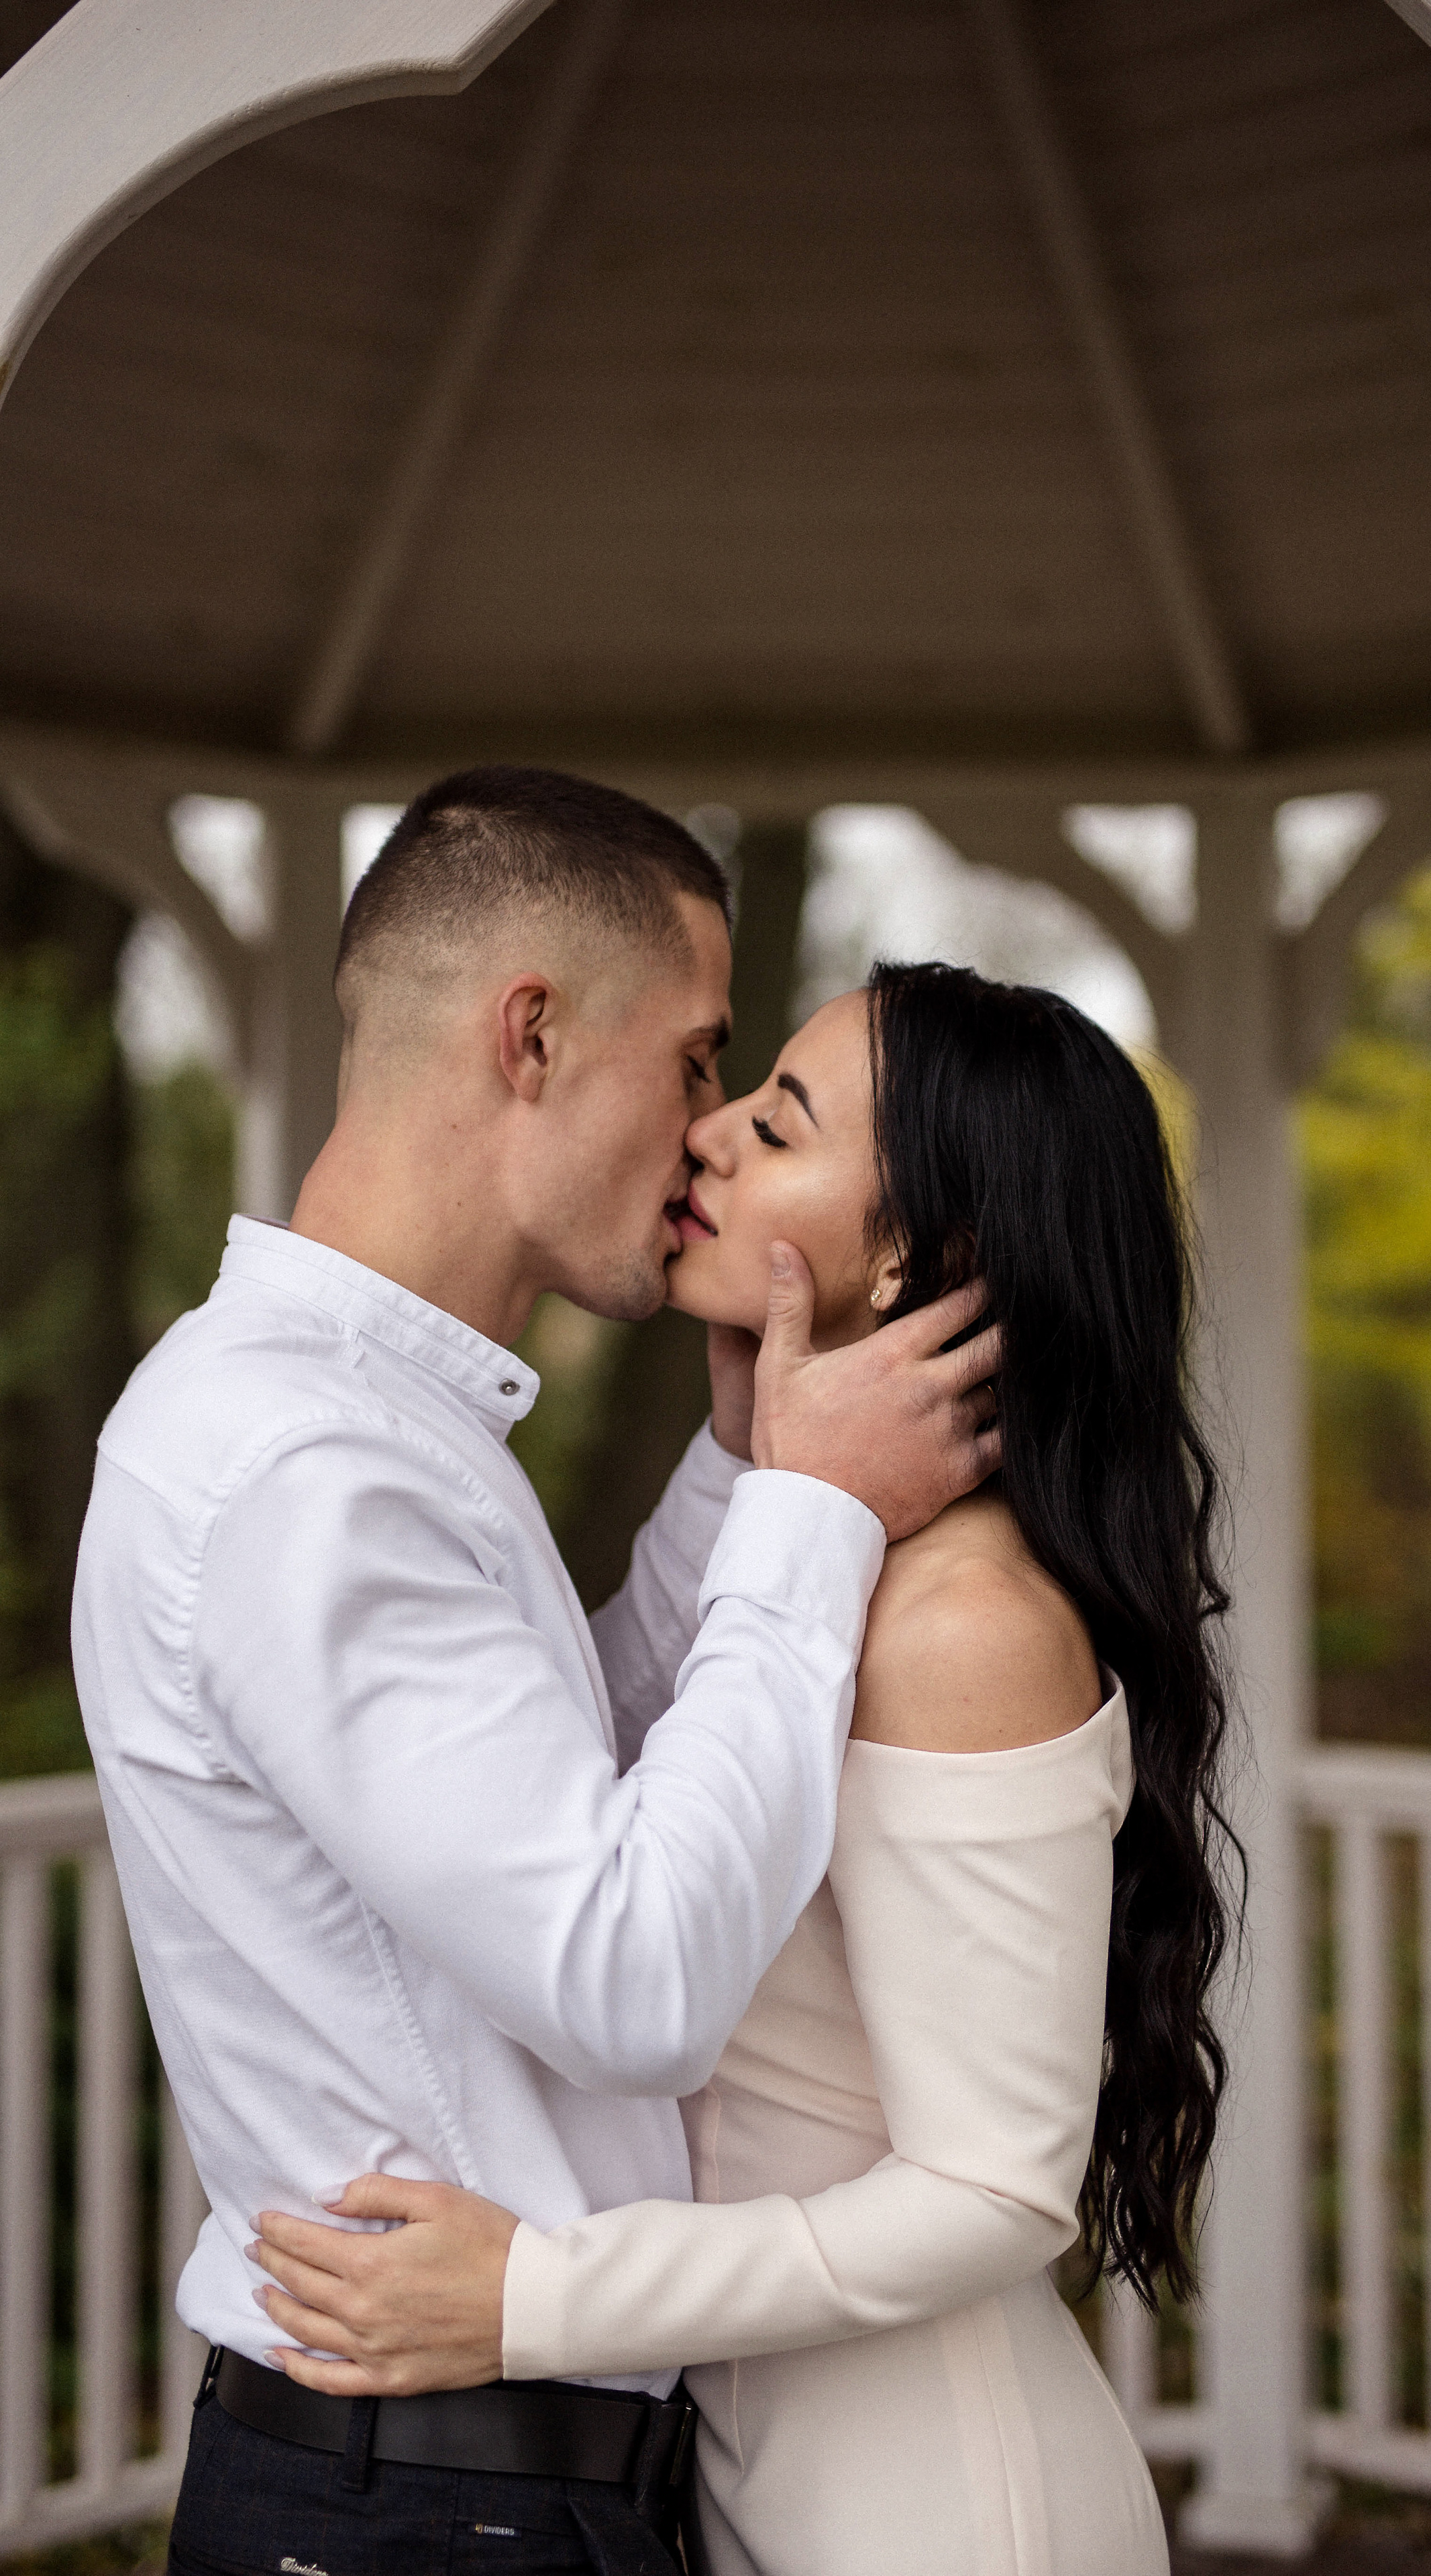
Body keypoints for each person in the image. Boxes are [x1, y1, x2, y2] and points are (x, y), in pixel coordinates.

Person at [71, 771, 1001, 2576]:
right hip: (431, 2501)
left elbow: (565, 1801)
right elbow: (629, 1974)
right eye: (698, 1057)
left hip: (472, 2479)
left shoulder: (372, 1431)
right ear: (533, 1034)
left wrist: (745, 1471)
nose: (710, 1130)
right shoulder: (305, 1464)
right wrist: (813, 1518)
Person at [248, 961, 1240, 2576]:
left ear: (926, 1253)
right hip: (742, 2483)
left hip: (930, 2514)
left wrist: (536, 2296)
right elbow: (610, 1833)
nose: (703, 1137)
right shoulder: (824, 1562)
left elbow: (997, 2194)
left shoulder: (961, 1622)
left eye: (776, 1122)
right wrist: (750, 1470)